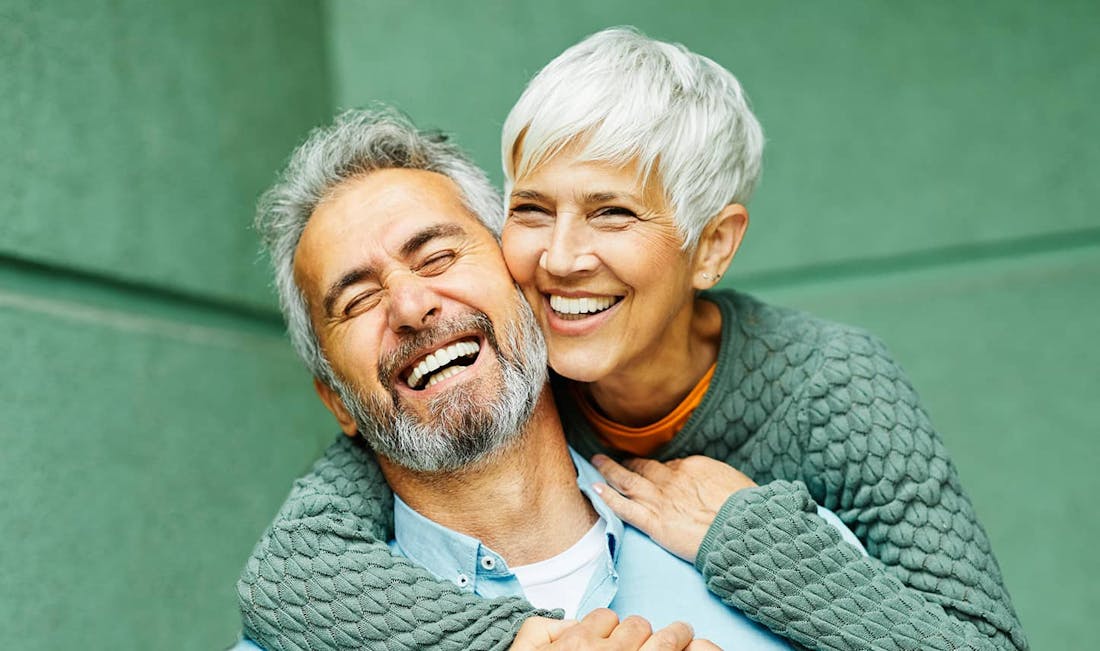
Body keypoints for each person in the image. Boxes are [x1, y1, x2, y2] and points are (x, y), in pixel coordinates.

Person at [239, 28, 1027, 651]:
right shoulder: (447, 403)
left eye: (614, 212)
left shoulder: (828, 393)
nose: (561, 258)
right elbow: (285, 578)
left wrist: (749, 540)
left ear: (712, 247)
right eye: (534, 211)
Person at [234, 107, 865, 651]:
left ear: (527, 284)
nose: (409, 306)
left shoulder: (791, 559)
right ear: (336, 401)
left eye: (438, 256)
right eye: (358, 300)